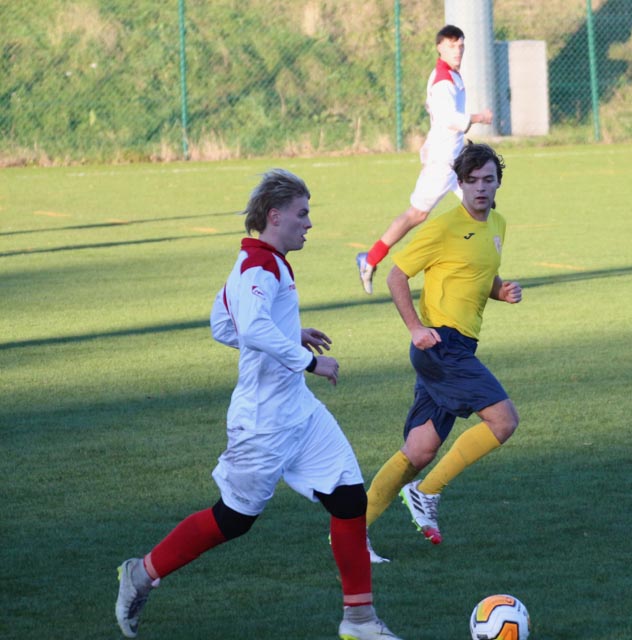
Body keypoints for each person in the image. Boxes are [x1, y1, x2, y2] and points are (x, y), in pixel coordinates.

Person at [114, 170, 401, 640]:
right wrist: (308, 360)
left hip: (298, 411)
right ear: (275, 216)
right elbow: (248, 328)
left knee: (350, 499)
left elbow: (223, 323)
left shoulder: (263, 262)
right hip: (263, 420)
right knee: (233, 519)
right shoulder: (258, 267)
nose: (309, 223)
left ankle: (360, 620)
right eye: (302, 213)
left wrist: (289, 334)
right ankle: (141, 573)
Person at [361, 143, 521, 551]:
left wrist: (501, 291)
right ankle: (426, 492)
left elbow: (478, 275)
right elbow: (396, 275)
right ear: (460, 184)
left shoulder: (498, 225)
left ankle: (350, 535)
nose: (480, 188)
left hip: (458, 348)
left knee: (419, 450)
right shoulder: (443, 227)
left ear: (498, 183)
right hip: (440, 345)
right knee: (504, 421)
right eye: (472, 181)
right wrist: (415, 328)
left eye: (488, 179)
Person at [355, 24, 493, 295]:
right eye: (452, 46)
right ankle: (370, 259)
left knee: (483, 207)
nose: (458, 51)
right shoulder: (443, 81)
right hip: (443, 162)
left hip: (456, 159)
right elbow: (449, 118)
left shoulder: (450, 75)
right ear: (440, 47)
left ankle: (476, 271)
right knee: (417, 214)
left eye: (461, 45)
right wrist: (480, 117)